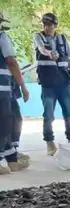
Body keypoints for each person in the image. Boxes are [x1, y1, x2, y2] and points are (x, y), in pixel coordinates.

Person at [35, 13, 70, 156]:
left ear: (55, 26)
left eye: (49, 25)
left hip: (63, 82)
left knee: (69, 113)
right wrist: (49, 53)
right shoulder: (39, 36)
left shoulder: (62, 38)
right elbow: (41, 48)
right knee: (48, 114)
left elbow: (68, 60)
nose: (47, 27)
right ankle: (50, 142)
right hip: (48, 83)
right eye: (44, 25)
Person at [0, 11, 30, 173]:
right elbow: (11, 61)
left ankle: (12, 160)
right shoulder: (2, 38)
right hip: (2, 90)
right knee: (4, 125)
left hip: (6, 90)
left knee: (9, 121)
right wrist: (23, 86)